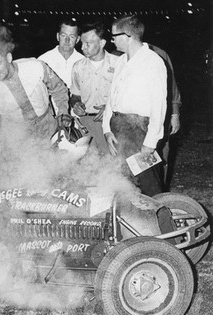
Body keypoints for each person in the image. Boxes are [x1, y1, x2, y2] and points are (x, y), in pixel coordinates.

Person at [0, 24, 69, 161]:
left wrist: (63, 112)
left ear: (9, 58)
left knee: (56, 169)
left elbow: (59, 89)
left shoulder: (35, 67)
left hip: (49, 128)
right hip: (21, 140)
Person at [102, 15, 167, 196]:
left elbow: (159, 105)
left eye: (114, 35)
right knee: (123, 182)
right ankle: (131, 222)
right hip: (118, 127)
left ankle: (158, 221)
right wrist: (107, 129)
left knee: (148, 184)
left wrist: (150, 142)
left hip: (139, 131)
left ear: (128, 36)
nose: (111, 39)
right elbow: (112, 97)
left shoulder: (153, 62)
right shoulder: (121, 61)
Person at [70, 21, 118, 154]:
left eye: (88, 43)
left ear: (102, 43)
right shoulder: (78, 67)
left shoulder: (118, 64)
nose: (82, 47)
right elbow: (75, 95)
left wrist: (109, 108)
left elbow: (127, 96)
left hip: (111, 123)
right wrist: (76, 104)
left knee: (113, 165)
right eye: (82, 43)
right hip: (86, 124)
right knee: (89, 166)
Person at [148, 43, 182, 190]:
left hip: (159, 115)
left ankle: (161, 192)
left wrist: (175, 113)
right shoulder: (120, 55)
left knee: (161, 155)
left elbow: (172, 86)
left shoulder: (159, 53)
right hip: (132, 118)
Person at [38, 19, 84, 89]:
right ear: (57, 36)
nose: (67, 40)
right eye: (63, 35)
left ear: (77, 39)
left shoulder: (84, 62)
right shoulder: (43, 60)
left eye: (72, 36)